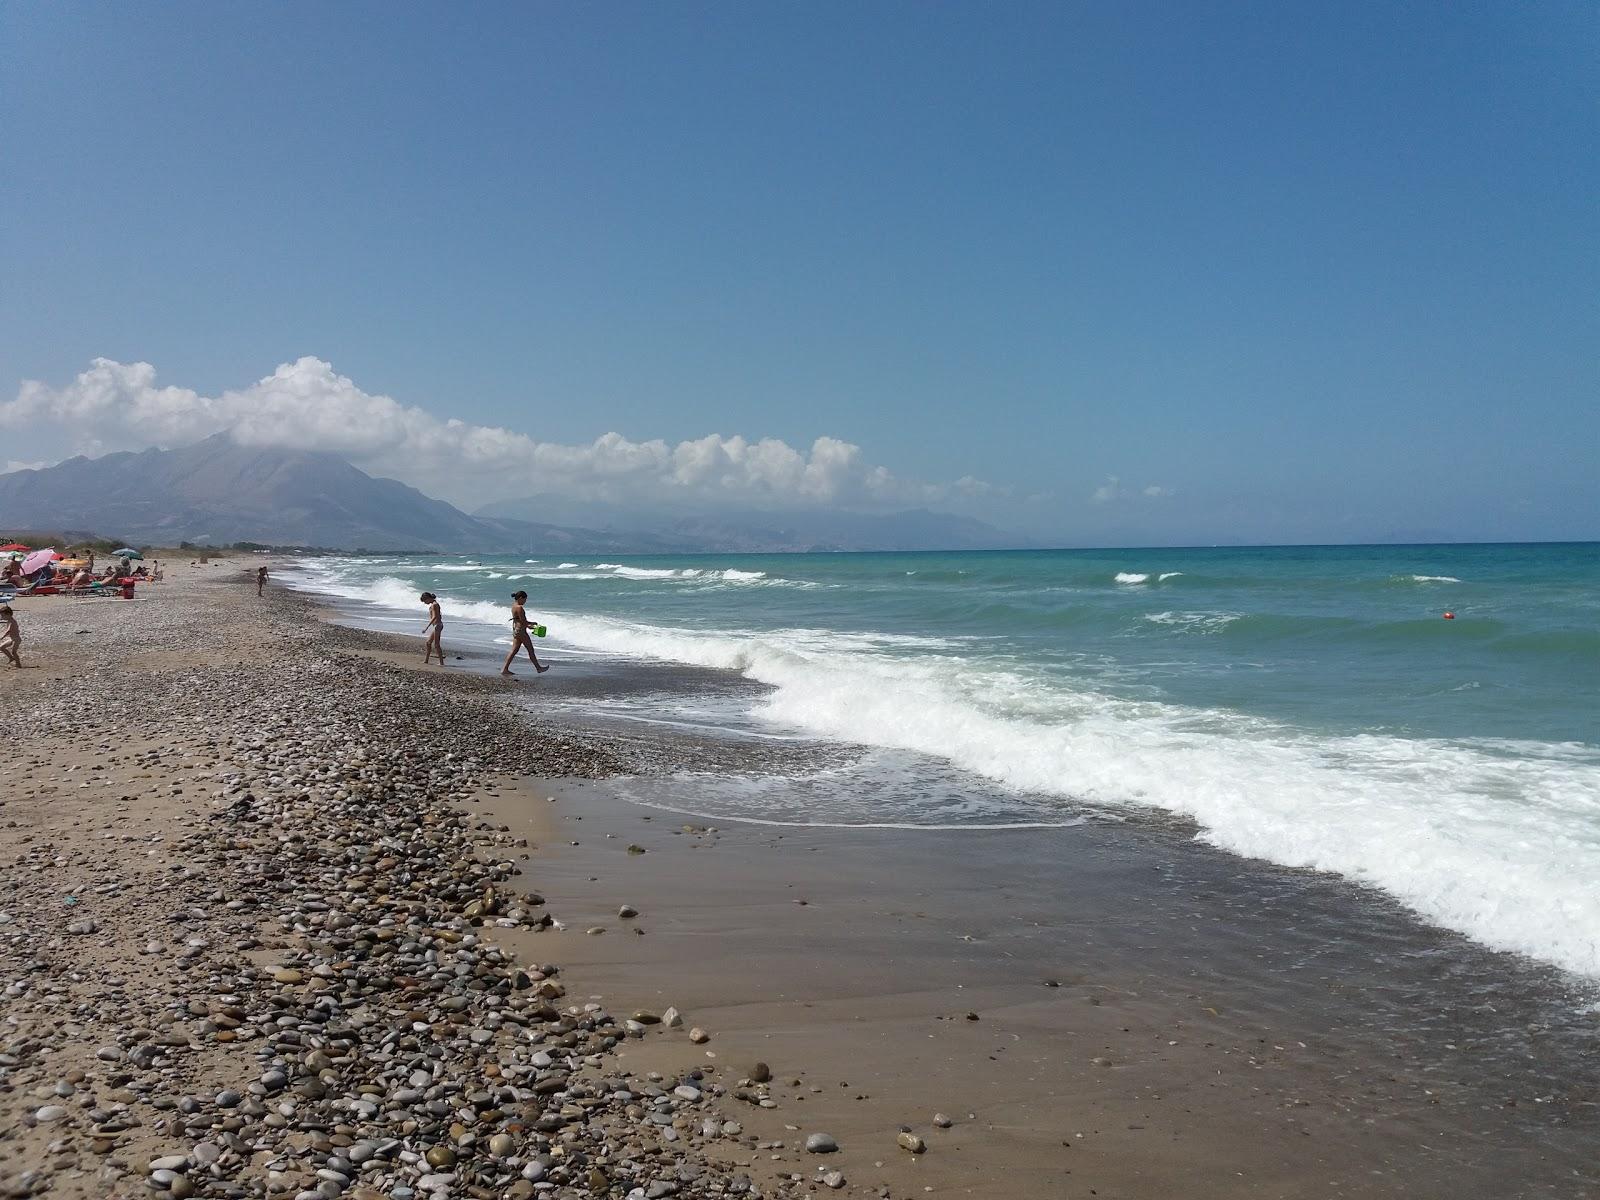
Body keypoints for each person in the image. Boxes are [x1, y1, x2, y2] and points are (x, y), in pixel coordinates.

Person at [501, 590, 549, 675]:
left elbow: (519, 620)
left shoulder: (513, 606)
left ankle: (504, 669)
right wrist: (532, 624)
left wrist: (528, 626)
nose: (525, 602)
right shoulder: (519, 608)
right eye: (525, 599)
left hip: (516, 630)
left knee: (513, 651)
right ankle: (538, 668)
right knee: (530, 650)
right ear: (520, 598)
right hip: (521, 632)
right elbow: (523, 621)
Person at [420, 592, 445, 665]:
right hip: (437, 625)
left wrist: (426, 627)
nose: (425, 603)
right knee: (428, 642)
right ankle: (426, 660)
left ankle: (441, 662)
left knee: (437, 645)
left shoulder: (434, 605)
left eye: (425, 601)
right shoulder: (435, 604)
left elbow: (435, 617)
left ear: (428, 598)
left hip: (437, 625)